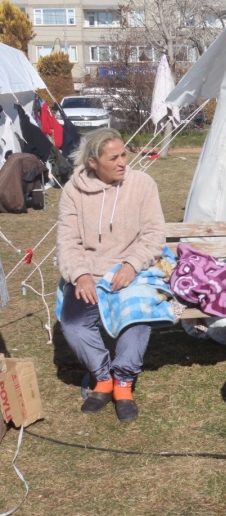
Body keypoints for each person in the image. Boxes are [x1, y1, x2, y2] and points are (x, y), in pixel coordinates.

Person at [56, 128, 166, 422]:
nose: (122, 162)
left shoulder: (142, 184)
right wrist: (80, 275)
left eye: (124, 155)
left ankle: (123, 382)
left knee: (138, 316)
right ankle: (102, 376)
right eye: (113, 157)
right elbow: (68, 241)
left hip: (134, 268)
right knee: (74, 325)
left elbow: (154, 234)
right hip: (90, 270)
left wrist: (131, 264)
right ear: (93, 162)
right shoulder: (73, 191)